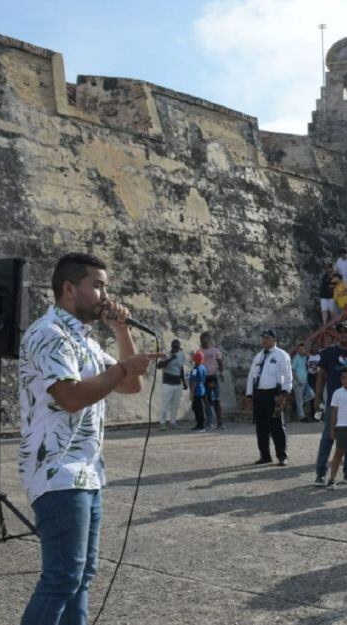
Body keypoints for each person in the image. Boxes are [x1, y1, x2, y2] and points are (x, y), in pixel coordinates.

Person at [17, 253, 162, 625]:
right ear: (69, 289)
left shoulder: (85, 340)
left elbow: (130, 385)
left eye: (105, 287)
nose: (105, 295)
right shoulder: (49, 334)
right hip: (58, 472)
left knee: (81, 576)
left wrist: (122, 332)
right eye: (97, 285)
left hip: (87, 472)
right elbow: (70, 397)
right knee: (62, 578)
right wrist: (123, 368)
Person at [313, 321, 347, 485]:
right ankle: (321, 473)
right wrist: (317, 397)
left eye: (346, 331)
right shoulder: (329, 352)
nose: (343, 334)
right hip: (334, 404)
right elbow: (321, 375)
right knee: (328, 438)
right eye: (340, 331)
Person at [244, 329, 293, 466]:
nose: (264, 340)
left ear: (274, 339)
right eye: (263, 338)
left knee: (277, 427)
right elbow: (251, 376)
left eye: (267, 338)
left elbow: (287, 376)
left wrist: (284, 393)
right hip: (259, 395)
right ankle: (265, 455)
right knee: (261, 428)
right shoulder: (258, 356)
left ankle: (282, 456)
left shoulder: (281, 355)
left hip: (274, 395)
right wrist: (249, 395)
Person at [156, 339, 188, 431]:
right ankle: (162, 423)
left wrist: (184, 382)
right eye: (174, 346)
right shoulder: (166, 355)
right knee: (165, 404)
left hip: (177, 383)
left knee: (175, 404)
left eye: (177, 347)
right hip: (167, 383)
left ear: (179, 347)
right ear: (171, 346)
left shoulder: (182, 355)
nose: (176, 348)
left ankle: (173, 422)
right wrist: (170, 359)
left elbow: (181, 368)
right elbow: (159, 366)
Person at [198, 333, 225, 430]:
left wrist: (221, 373)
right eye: (201, 338)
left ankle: (220, 423)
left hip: (213, 377)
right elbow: (197, 365)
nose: (202, 340)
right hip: (203, 378)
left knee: (216, 400)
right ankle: (209, 422)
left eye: (204, 338)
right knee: (206, 400)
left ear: (209, 339)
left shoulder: (215, 351)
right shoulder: (199, 351)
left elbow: (220, 363)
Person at [292, 341, 315, 422]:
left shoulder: (305, 358)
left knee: (312, 395)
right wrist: (297, 380)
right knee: (300, 400)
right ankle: (301, 417)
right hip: (298, 382)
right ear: (297, 350)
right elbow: (292, 370)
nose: (302, 351)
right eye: (300, 349)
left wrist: (308, 355)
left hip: (305, 381)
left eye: (303, 349)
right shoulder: (296, 358)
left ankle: (297, 403)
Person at [186, 351, 208, 432]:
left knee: (197, 408)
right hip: (202, 389)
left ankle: (201, 425)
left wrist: (191, 393)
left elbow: (194, 382)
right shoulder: (203, 367)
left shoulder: (195, 369)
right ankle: (199, 424)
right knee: (200, 408)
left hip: (197, 391)